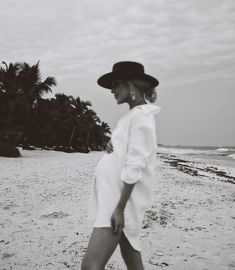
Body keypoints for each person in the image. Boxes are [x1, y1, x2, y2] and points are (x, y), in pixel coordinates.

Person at [81, 61, 161, 270]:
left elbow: (136, 165)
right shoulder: (131, 116)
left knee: (90, 266)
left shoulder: (142, 117)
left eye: (116, 84)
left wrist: (119, 209)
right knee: (132, 259)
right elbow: (127, 151)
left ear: (131, 85)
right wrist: (113, 146)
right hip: (115, 198)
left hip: (118, 202)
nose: (112, 91)